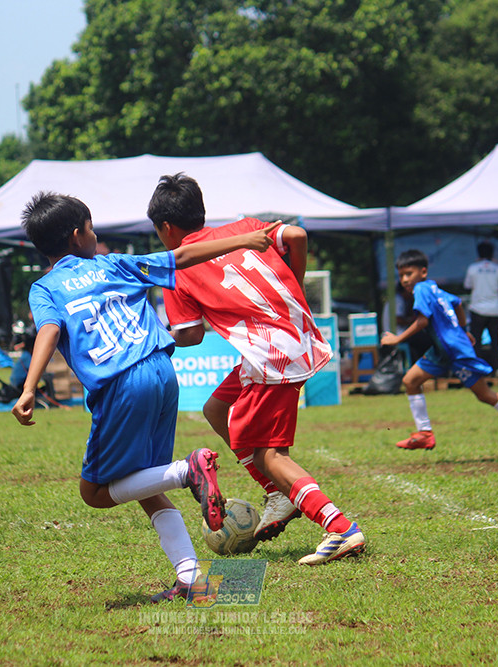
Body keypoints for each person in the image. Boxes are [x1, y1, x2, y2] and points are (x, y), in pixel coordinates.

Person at [11, 192, 282, 602]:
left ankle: (189, 471)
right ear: (76, 236)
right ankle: (192, 579)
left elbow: (48, 331)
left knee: (95, 493)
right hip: (161, 370)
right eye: (90, 227)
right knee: (140, 484)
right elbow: (183, 258)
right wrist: (241, 241)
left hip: (122, 385)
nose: (95, 233)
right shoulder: (113, 263)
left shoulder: (44, 288)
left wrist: (29, 388)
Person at [148, 173, 365, 566]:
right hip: (294, 336)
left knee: (268, 453)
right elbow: (296, 236)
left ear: (165, 228)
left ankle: (339, 526)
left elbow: (191, 335)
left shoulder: (176, 268)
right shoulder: (245, 228)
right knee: (217, 410)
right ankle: (279, 494)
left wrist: (154, 340)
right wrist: (293, 286)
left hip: (271, 355)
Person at [380, 249, 498, 454]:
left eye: (409, 274)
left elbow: (422, 321)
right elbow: (458, 303)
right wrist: (463, 329)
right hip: (444, 348)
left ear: (423, 272)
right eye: (401, 275)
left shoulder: (421, 289)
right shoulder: (433, 287)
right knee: (410, 381)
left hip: (453, 349)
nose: (405, 279)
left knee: (484, 394)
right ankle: (424, 433)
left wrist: (397, 338)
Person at [464, 241, 498, 374]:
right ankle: (497, 369)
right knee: (495, 342)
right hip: (494, 310)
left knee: (476, 341)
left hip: (478, 309)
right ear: (493, 253)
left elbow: (467, 286)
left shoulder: (473, 268)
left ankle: (477, 369)